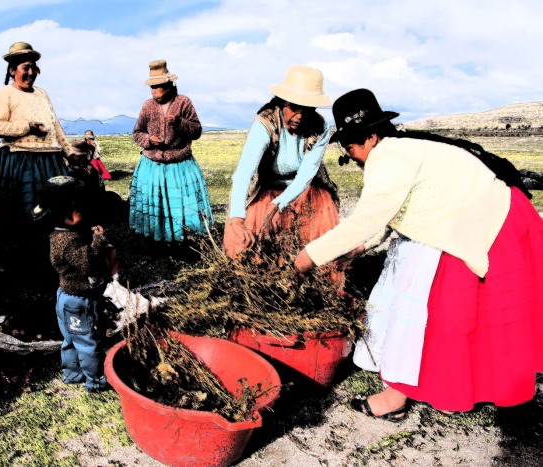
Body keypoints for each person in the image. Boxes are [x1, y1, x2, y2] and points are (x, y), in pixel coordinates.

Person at [294, 88, 543, 418]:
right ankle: (450, 390)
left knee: (428, 310)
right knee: (454, 314)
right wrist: (363, 246)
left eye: (350, 147)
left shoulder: (388, 156)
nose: (351, 155)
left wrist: (307, 256)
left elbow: (369, 217)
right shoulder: (401, 149)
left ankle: (398, 397)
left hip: (494, 226)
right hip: (495, 219)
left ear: (369, 137)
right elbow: (399, 211)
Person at [223, 66, 342, 275]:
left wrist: (279, 203)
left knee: (319, 238)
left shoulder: (320, 127)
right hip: (266, 187)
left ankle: (311, 283)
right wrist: (237, 218)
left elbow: (306, 175)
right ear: (282, 103)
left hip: (303, 190)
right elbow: (244, 172)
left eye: (308, 109)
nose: (299, 116)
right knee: (246, 239)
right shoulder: (265, 124)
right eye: (294, 108)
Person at [34, 175, 117, 391]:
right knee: (88, 342)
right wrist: (98, 241)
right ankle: (96, 380)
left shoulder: (61, 233)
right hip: (80, 300)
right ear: (67, 215)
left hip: (66, 296)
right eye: (80, 209)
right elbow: (88, 263)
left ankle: (72, 374)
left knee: (71, 338)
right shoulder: (68, 243)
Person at [0, 42, 73, 231]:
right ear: (12, 71)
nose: (31, 72)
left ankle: (55, 246)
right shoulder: (4, 94)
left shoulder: (42, 94)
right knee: (27, 210)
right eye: (26, 67)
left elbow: (55, 125)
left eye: (34, 68)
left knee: (54, 207)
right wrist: (28, 127)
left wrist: (69, 151)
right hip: (21, 160)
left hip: (50, 160)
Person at [131, 59, 213, 243]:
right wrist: (149, 140)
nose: (154, 91)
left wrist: (179, 122)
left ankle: (184, 240)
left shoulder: (183, 102)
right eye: (151, 87)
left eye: (158, 86)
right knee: (155, 205)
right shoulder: (147, 106)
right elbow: (137, 133)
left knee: (180, 205)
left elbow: (197, 130)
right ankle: (155, 240)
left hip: (179, 165)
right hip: (152, 164)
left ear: (168, 85)